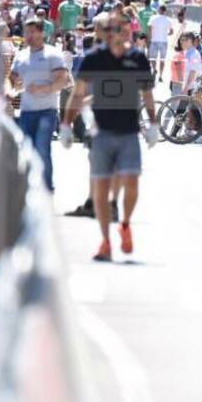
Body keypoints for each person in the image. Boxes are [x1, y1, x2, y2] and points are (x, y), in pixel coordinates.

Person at [61, 14, 157, 261]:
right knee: (101, 190)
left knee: (131, 183)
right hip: (102, 132)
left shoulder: (137, 58)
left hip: (128, 132)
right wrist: (66, 124)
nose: (116, 34)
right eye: (110, 30)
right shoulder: (94, 59)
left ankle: (124, 224)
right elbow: (78, 93)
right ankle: (105, 241)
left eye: (120, 30)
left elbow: (147, 93)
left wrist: (153, 123)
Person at [9, 17, 70, 193]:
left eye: (32, 31)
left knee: (42, 148)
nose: (28, 35)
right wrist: (9, 90)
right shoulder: (21, 55)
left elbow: (63, 80)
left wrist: (45, 88)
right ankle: (30, 187)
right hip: (27, 111)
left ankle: (46, 188)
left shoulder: (53, 54)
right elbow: (11, 78)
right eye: (26, 32)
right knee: (27, 151)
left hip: (47, 111)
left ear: (42, 32)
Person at [148, 5, 174, 82]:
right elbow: (171, 31)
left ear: (159, 10)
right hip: (164, 42)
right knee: (162, 60)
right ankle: (160, 75)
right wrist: (167, 34)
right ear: (165, 11)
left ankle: (154, 69)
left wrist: (149, 38)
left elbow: (149, 28)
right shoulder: (168, 20)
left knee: (153, 58)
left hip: (154, 40)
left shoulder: (153, 18)